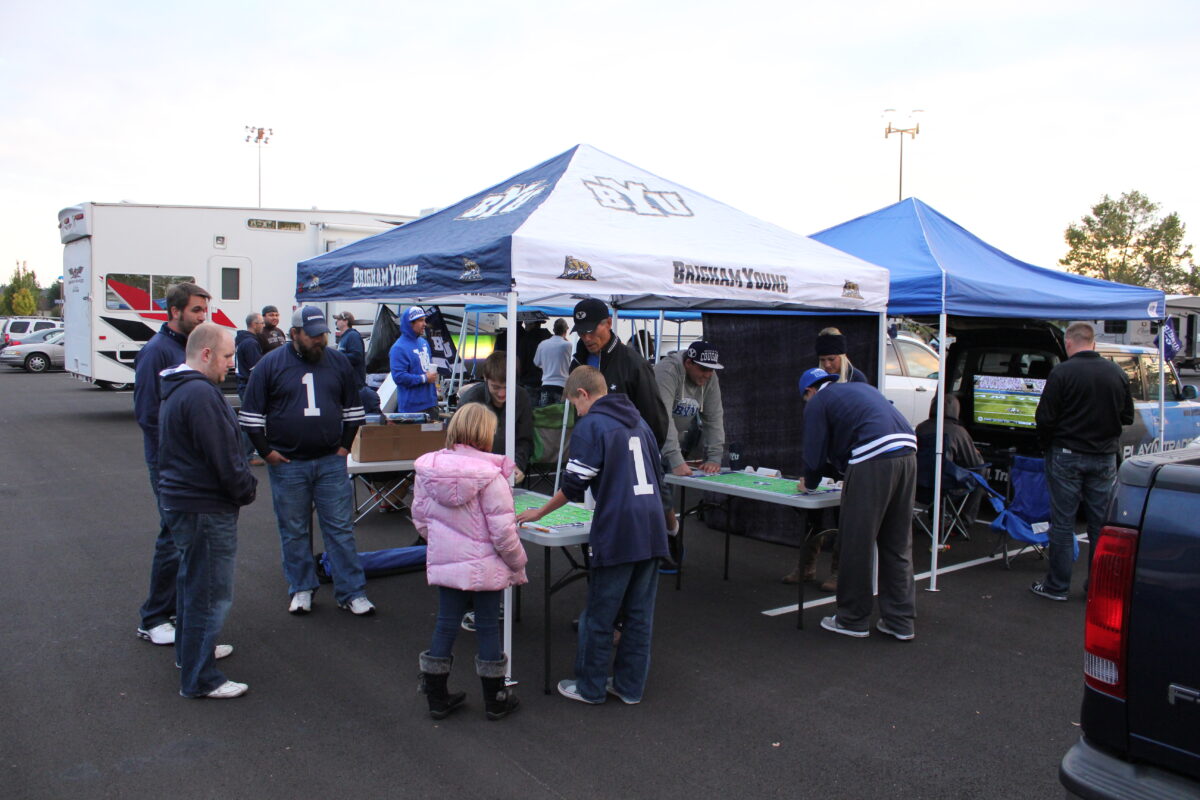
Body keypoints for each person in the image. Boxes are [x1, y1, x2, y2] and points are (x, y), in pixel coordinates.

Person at [517, 366, 669, 705]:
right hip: (652, 526)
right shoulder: (640, 422)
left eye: (574, 404)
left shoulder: (592, 425)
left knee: (600, 614)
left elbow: (573, 485)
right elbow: (660, 477)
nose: (576, 412)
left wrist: (539, 512)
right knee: (639, 616)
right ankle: (630, 688)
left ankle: (590, 687)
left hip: (618, 529)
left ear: (583, 395)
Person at [239, 306, 376, 616]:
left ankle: (351, 591)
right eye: (313, 335)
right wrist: (267, 452)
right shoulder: (269, 365)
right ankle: (301, 588)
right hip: (289, 463)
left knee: (340, 529)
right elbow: (250, 418)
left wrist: (343, 447)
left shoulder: (338, 362)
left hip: (330, 460)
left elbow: (354, 411)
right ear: (294, 334)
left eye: (323, 334)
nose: (320, 340)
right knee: (294, 529)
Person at [157, 323, 257, 699]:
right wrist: (246, 489)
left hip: (187, 503)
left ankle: (191, 654)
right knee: (210, 592)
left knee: (194, 583)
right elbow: (224, 457)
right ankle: (200, 678)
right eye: (228, 356)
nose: (232, 364)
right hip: (203, 506)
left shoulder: (182, 389)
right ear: (205, 354)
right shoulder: (199, 394)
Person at [412, 403, 528, 721]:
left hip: (448, 561)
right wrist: (518, 563)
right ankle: (495, 698)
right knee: (488, 625)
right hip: (487, 565)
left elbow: (421, 519)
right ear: (485, 434)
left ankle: (436, 696)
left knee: (446, 622)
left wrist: (444, 543)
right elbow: (504, 533)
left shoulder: (429, 469)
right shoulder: (492, 476)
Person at [797, 367, 918, 640]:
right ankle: (900, 622)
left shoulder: (817, 401)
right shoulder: (859, 388)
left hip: (872, 457)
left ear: (809, 391)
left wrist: (810, 482)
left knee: (856, 542)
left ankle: (852, 619)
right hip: (908, 452)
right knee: (897, 542)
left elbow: (814, 451)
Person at [1030, 322, 1133, 601]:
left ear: (1069, 342)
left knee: (1063, 522)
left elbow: (1045, 419)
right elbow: (1127, 417)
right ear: (1093, 342)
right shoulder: (1116, 372)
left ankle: (1057, 586)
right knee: (1100, 524)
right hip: (1104, 456)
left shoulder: (1062, 372)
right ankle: (1098, 586)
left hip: (1066, 453)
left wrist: (1046, 445)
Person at [133, 282, 211, 647]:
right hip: (169, 466)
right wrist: (179, 458)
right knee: (173, 537)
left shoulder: (189, 349)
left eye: (204, 310)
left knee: (187, 539)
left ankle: (178, 610)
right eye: (196, 310)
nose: (202, 317)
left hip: (191, 465)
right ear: (174, 311)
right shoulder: (157, 351)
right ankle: (154, 617)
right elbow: (149, 415)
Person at [784, 326, 867, 588]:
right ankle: (806, 566)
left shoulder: (858, 379)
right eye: (823, 360)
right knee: (811, 510)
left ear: (843, 356)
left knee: (845, 514)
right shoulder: (816, 382)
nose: (828, 365)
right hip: (826, 455)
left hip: (851, 457)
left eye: (832, 359)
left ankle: (838, 571)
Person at [653, 340, 725, 565]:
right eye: (703, 369)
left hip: (671, 440)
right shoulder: (668, 371)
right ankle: (667, 540)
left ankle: (668, 539)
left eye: (711, 369)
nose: (707, 375)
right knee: (654, 495)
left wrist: (714, 456)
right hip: (646, 436)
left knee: (664, 495)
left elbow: (714, 417)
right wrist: (675, 458)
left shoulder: (710, 378)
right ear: (688, 363)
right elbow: (661, 418)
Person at [569, 298, 668, 448]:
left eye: (591, 330)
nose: (587, 338)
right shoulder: (577, 363)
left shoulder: (634, 364)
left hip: (625, 453)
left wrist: (644, 455)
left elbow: (654, 419)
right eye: (582, 333)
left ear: (608, 323)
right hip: (589, 451)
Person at [457, 351, 533, 483]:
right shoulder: (471, 399)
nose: (502, 393)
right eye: (496, 387)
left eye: (507, 387)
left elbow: (524, 439)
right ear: (485, 378)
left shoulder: (522, 397)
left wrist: (517, 465)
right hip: (474, 475)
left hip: (508, 473)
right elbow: (460, 444)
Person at [914, 393, 986, 528]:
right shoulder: (958, 432)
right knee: (981, 471)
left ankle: (938, 514)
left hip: (919, 488)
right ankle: (964, 520)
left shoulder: (921, 428)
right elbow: (974, 463)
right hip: (946, 488)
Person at [389, 306, 439, 417]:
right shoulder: (398, 348)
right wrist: (424, 378)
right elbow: (399, 377)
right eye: (421, 320)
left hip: (431, 404)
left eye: (424, 320)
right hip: (411, 408)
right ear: (410, 323)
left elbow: (426, 368)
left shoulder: (424, 342)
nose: (425, 324)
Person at [235, 312, 266, 466]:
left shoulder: (244, 340)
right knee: (250, 422)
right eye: (261, 323)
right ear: (254, 324)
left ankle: (249, 453)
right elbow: (256, 369)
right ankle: (246, 456)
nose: (263, 325)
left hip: (243, 384)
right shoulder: (250, 344)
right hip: (248, 385)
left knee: (250, 421)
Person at [532, 318, 573, 407]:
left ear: (553, 330)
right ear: (566, 330)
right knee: (560, 416)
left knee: (545, 414)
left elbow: (536, 362)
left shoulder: (543, 344)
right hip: (562, 385)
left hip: (546, 384)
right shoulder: (568, 345)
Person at [516, 318, 552, 392]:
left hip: (528, 384)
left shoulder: (525, 339)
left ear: (532, 324)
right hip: (547, 384)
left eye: (526, 325)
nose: (525, 328)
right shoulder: (550, 338)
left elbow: (519, 362)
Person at [334, 311, 366, 389]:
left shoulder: (353, 335)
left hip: (354, 383)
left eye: (338, 319)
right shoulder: (344, 337)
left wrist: (337, 356)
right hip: (346, 382)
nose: (336, 322)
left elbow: (356, 356)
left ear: (346, 321)